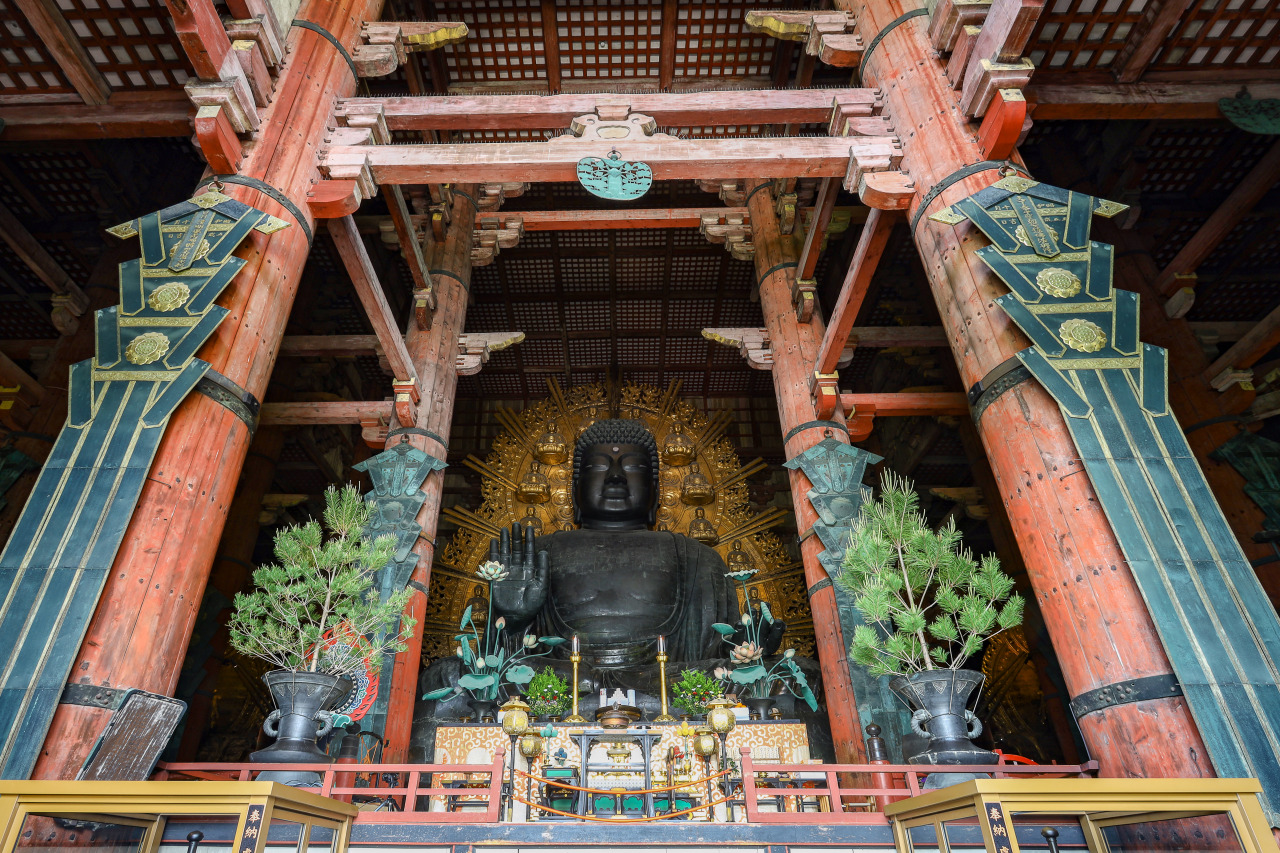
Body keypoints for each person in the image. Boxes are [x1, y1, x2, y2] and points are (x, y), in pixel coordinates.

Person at [488, 419, 739, 671]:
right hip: (561, 681)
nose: (616, 476)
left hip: (665, 681)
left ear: (656, 490)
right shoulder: (536, 556)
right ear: (574, 489)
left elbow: (720, 653)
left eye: (634, 467)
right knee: (454, 674)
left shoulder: (699, 559)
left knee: (758, 678)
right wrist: (512, 622)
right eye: (598, 466)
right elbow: (496, 659)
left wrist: (752, 648)